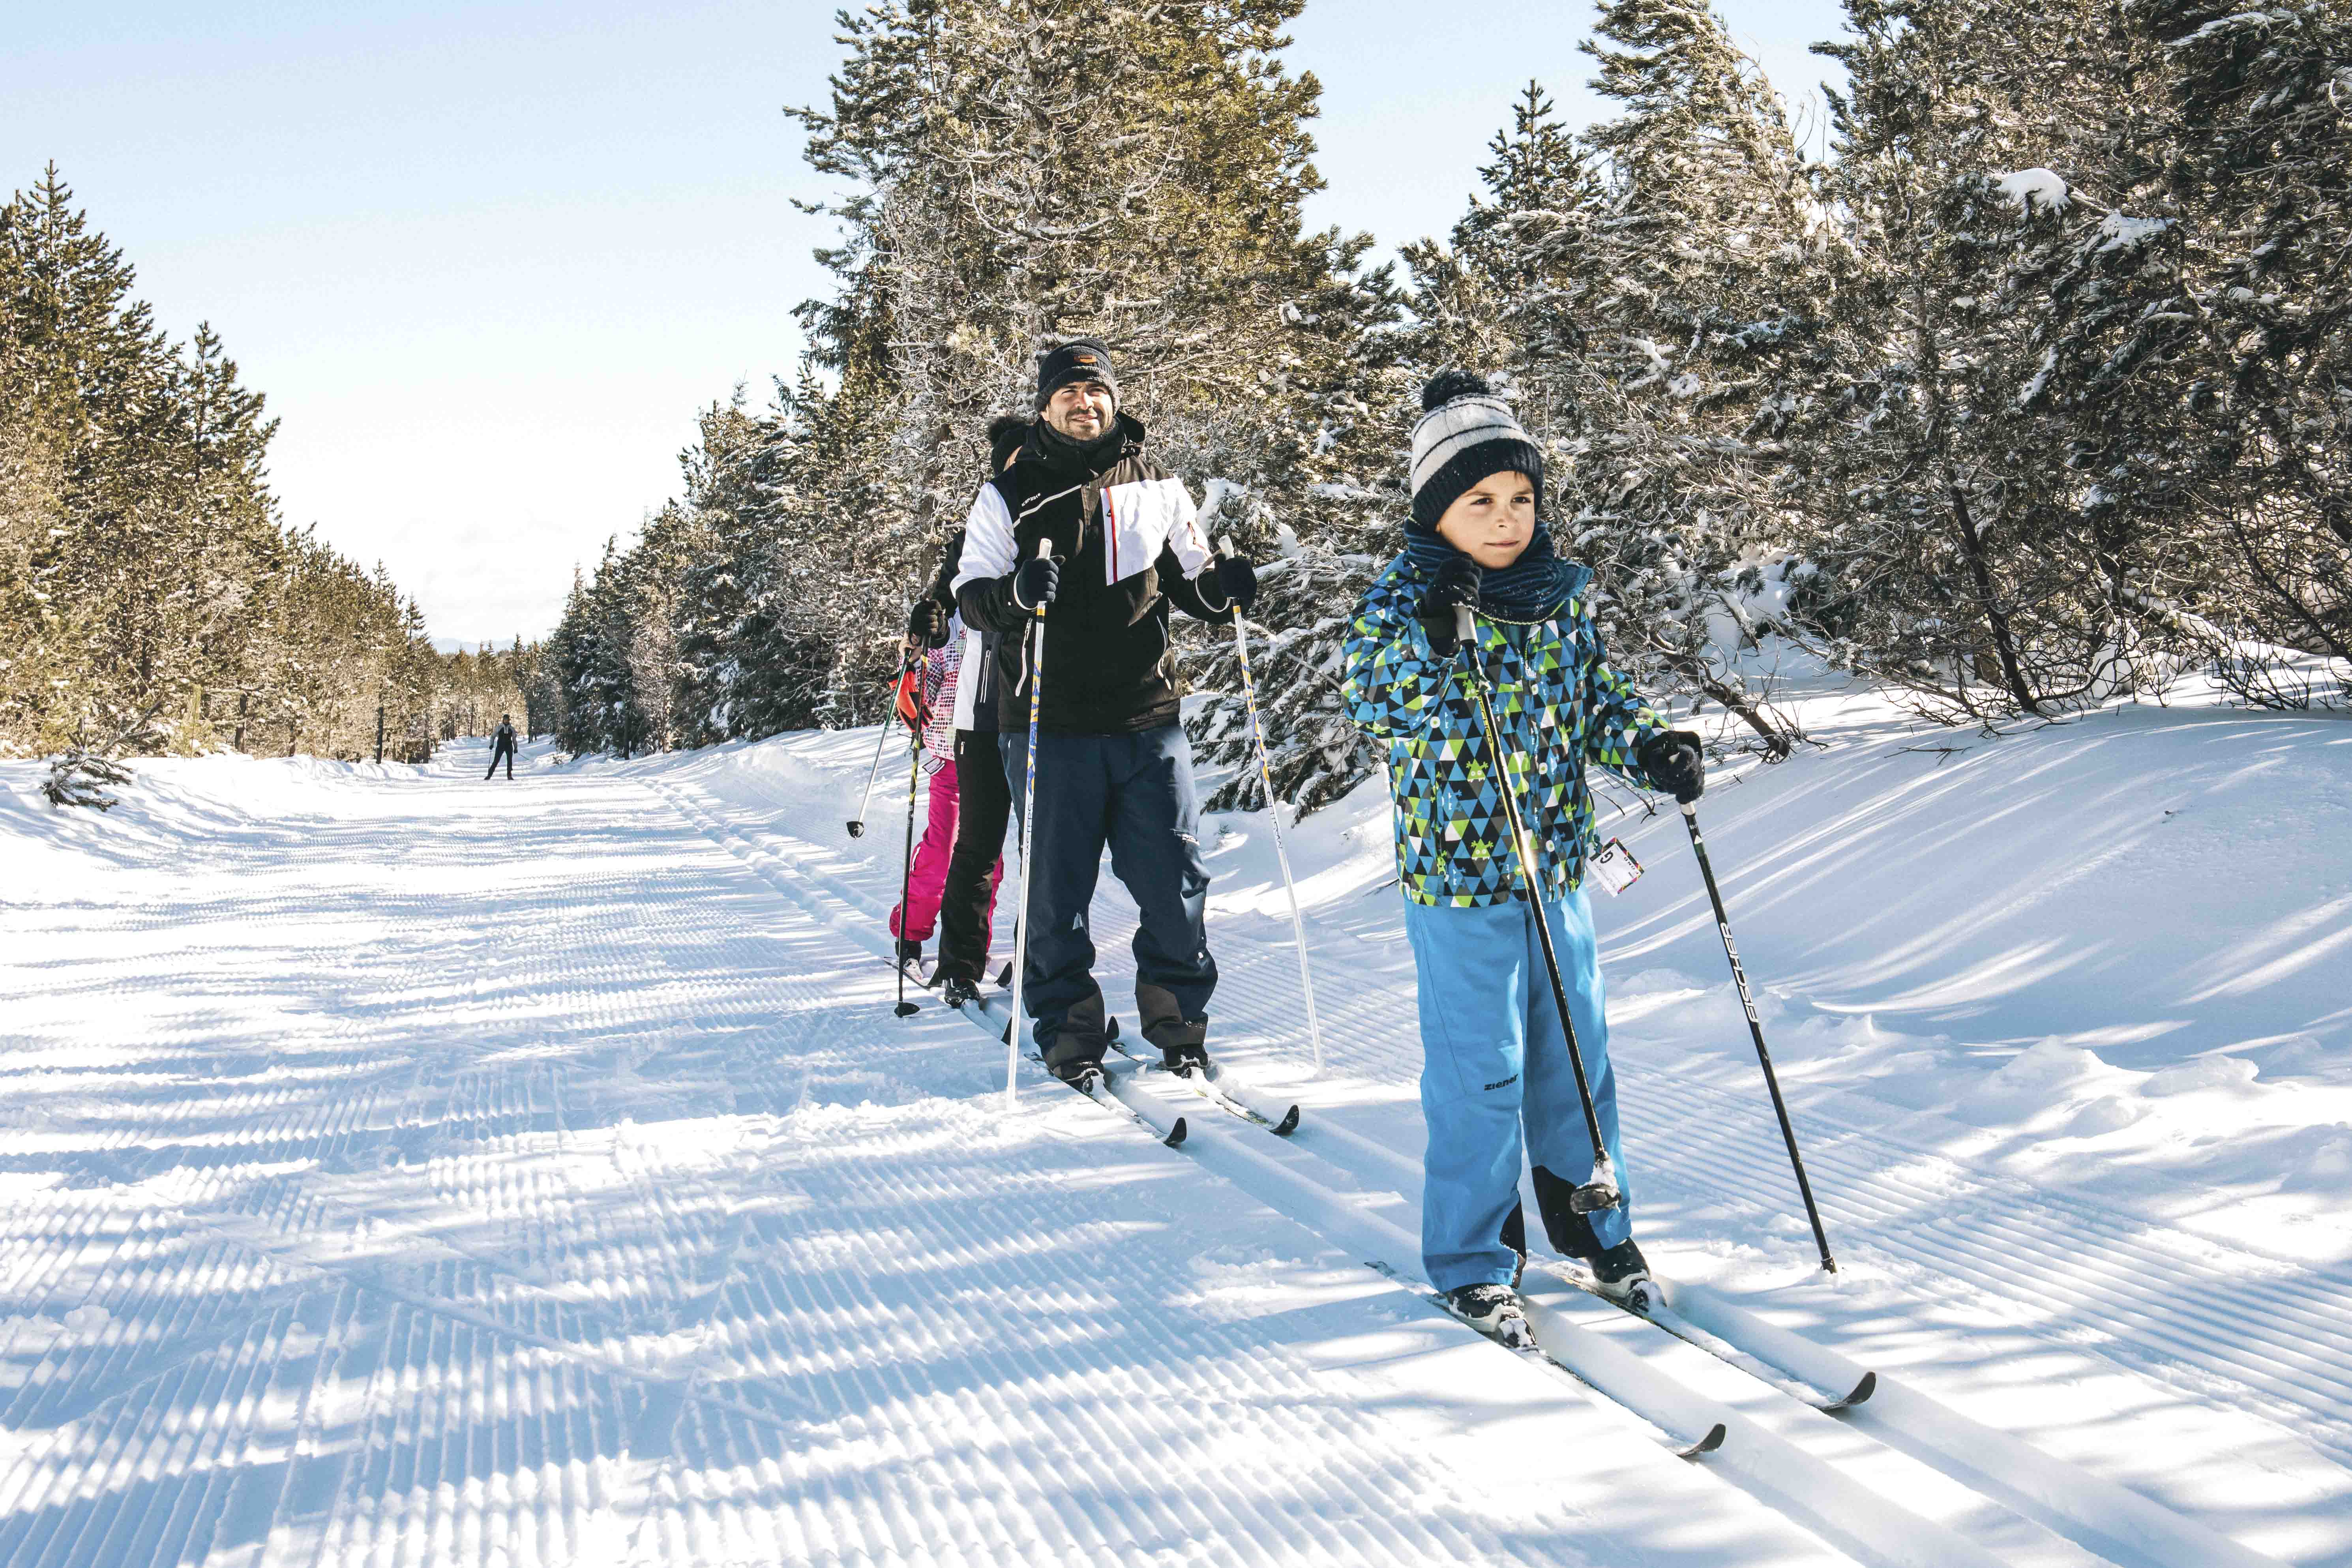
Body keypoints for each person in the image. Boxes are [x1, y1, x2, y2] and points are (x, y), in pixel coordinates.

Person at [1339, 369, 1705, 1343]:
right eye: (1480, 502)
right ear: (1436, 512)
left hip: (1556, 874)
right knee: (1483, 1076)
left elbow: (1597, 699)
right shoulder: (1402, 599)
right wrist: (1430, 636)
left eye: (1520, 498)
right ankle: (1472, 1257)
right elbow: (1374, 705)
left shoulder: (1557, 597)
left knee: (1577, 1066)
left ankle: (1597, 1228)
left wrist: (1650, 745)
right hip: (1460, 887)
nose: (1505, 519)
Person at [953, 341, 1259, 1083]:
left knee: (1173, 878)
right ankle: (1067, 1030)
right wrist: (1016, 593)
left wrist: (1224, 588)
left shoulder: (1156, 484)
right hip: (1046, 721)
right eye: (1068, 393)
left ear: (1113, 400)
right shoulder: (1008, 492)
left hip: (1144, 715)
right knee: (1056, 891)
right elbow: (971, 596)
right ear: (1045, 406)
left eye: (1095, 392)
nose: (1083, 404)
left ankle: (1178, 1022)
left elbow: (1193, 580)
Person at [933, 414, 1031, 1008]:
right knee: (978, 844)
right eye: (1012, 463)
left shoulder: (1057, 519)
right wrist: (926, 620)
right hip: (981, 710)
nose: (1024, 471)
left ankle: (1036, 958)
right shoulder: (982, 524)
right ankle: (960, 964)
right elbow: (945, 597)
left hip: (1042, 710)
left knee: (1039, 847)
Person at [486, 714, 518, 780]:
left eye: (508, 720)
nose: (506, 721)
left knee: (510, 761)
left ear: (509, 720)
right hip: (500, 746)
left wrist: (516, 748)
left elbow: (514, 739)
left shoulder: (512, 729)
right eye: (505, 720)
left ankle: (509, 775)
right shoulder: (499, 728)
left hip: (509, 746)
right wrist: (492, 744)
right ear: (503, 720)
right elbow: (493, 736)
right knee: (496, 761)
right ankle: (489, 775)